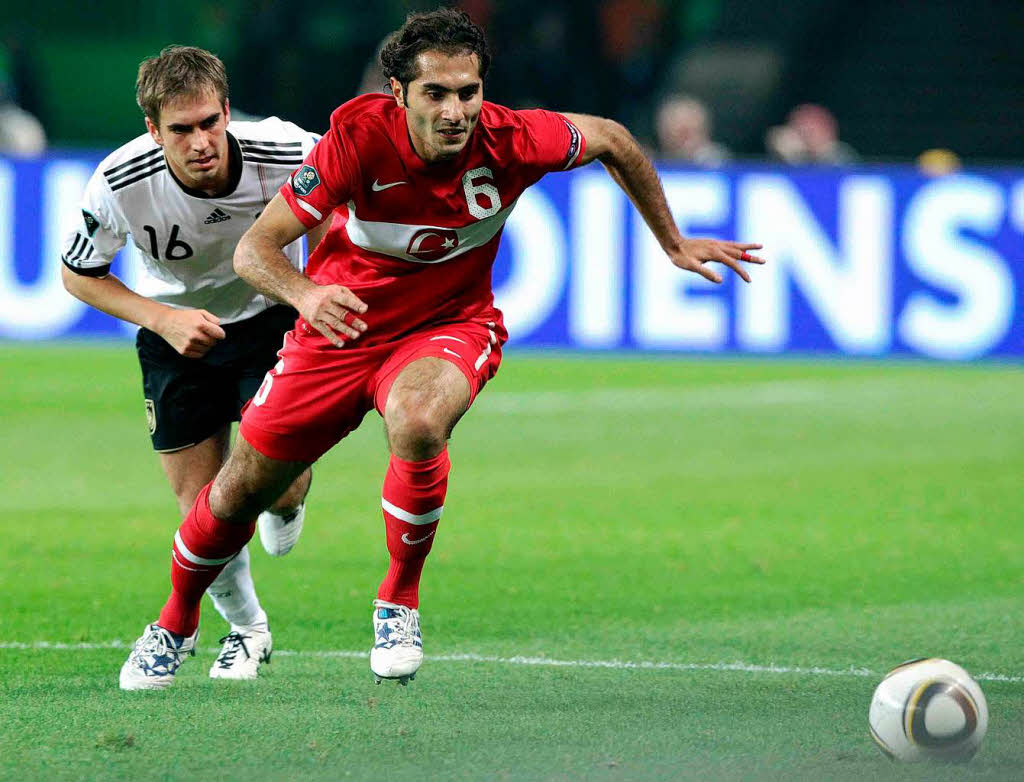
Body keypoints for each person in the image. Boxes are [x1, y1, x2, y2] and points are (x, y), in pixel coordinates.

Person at [118, 9, 765, 690]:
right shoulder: (356, 139)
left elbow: (613, 140)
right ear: (399, 94)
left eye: (468, 91)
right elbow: (257, 249)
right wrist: (308, 297)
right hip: (340, 330)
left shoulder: (516, 139)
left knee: (420, 420)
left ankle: (398, 600)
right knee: (239, 489)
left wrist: (671, 239)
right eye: (436, 93)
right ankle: (176, 620)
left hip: (448, 325)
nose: (455, 110)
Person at [61, 46, 325, 683]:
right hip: (177, 336)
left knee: (278, 486)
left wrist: (312, 287)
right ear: (153, 131)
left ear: (228, 112)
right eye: (181, 129)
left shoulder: (288, 150)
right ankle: (248, 630)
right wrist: (162, 319)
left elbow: (349, 188)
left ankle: (286, 505)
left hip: (271, 321)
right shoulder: (120, 182)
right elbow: (78, 274)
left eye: (210, 122)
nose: (201, 141)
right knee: (201, 505)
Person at [765, 103, 857, 165]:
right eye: (802, 131)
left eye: (811, 132)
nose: (808, 137)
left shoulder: (840, 155)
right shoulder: (788, 153)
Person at [654, 94, 730, 166]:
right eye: (682, 133)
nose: (687, 142)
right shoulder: (651, 164)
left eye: (694, 132)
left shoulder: (720, 164)